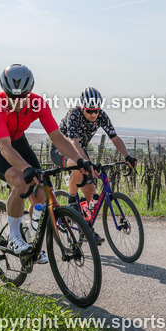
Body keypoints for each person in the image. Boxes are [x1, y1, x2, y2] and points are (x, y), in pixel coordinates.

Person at [0, 64, 91, 258]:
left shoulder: (39, 103)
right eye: (11, 97)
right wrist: (26, 168)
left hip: (18, 141)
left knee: (41, 192)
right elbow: (4, 147)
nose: (17, 102)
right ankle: (14, 238)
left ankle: (31, 240)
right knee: (20, 180)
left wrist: (79, 159)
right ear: (4, 92)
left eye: (22, 97)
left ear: (30, 92)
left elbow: (57, 138)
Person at [51, 87, 137, 241]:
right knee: (79, 167)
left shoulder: (101, 116)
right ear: (82, 107)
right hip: (63, 149)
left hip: (80, 152)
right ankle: (71, 200)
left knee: (92, 193)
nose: (93, 114)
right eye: (90, 111)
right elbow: (74, 143)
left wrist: (127, 156)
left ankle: (86, 230)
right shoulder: (74, 114)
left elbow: (115, 138)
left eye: (96, 111)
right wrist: (87, 164)